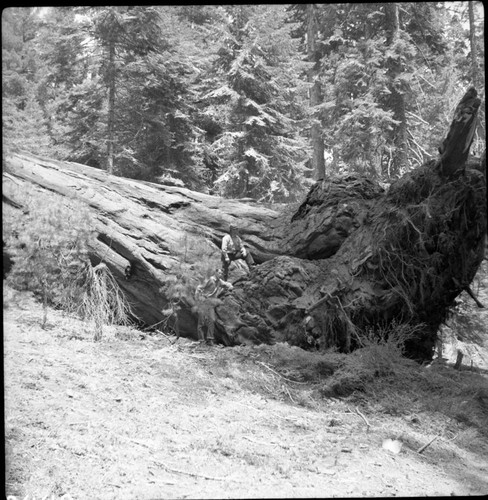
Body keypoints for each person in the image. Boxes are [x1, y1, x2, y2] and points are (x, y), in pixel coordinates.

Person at [194, 269, 233, 345]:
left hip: (211, 303)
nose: (220, 274)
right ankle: (201, 340)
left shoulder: (219, 281)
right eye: (219, 273)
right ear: (215, 273)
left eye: (221, 273)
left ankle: (209, 339)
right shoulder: (210, 280)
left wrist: (230, 286)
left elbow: (226, 284)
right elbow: (199, 288)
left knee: (212, 320)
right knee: (201, 322)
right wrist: (197, 300)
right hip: (204, 302)